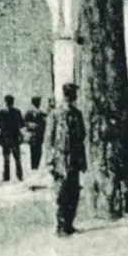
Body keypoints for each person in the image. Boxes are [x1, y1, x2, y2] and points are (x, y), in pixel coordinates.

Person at [46, 82, 87, 237]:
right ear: (67, 95)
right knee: (61, 193)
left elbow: (81, 137)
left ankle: (69, 224)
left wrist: (82, 161)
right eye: (72, 94)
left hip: (74, 158)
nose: (74, 97)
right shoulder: (56, 114)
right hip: (60, 158)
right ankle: (61, 226)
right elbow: (49, 138)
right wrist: (50, 161)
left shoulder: (77, 114)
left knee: (73, 192)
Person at [0, 95, 25, 183]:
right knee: (17, 158)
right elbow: (22, 124)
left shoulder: (2, 112)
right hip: (15, 136)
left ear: (6, 101)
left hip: (5, 137)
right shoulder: (17, 111)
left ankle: (6, 176)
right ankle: (19, 175)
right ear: (13, 102)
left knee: (6, 157)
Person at [25, 96, 48, 172]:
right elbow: (25, 122)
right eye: (38, 101)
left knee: (39, 150)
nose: (39, 103)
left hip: (39, 134)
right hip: (33, 134)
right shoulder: (29, 112)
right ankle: (34, 166)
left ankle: (36, 165)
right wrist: (32, 125)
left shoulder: (41, 112)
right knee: (33, 150)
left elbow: (45, 119)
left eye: (39, 101)